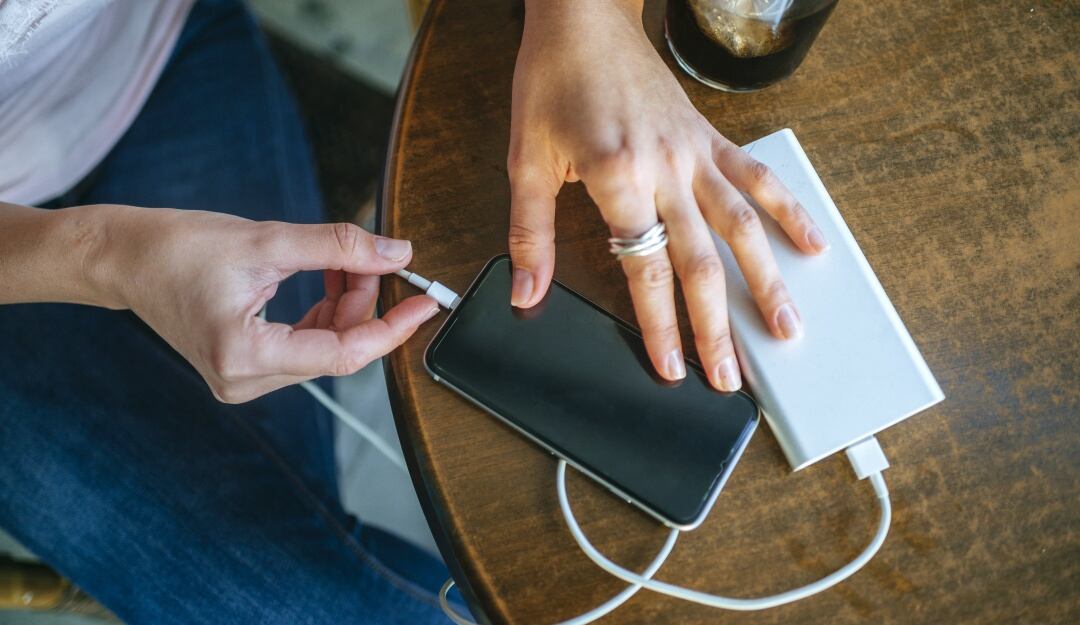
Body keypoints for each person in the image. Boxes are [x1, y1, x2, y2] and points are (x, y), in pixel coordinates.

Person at [0, 0, 826, 623]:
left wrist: (584, 20)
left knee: (286, 533)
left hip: (155, 51)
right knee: (303, 569)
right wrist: (104, 253)